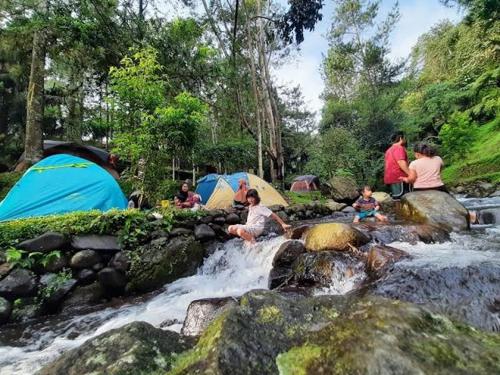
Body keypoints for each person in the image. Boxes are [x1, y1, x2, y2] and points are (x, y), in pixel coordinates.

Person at [384, 132, 411, 199]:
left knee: (396, 198)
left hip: (391, 178)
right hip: (399, 177)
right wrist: (410, 174)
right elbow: (401, 162)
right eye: (404, 138)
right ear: (401, 138)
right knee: (405, 198)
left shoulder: (389, 150)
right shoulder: (399, 148)